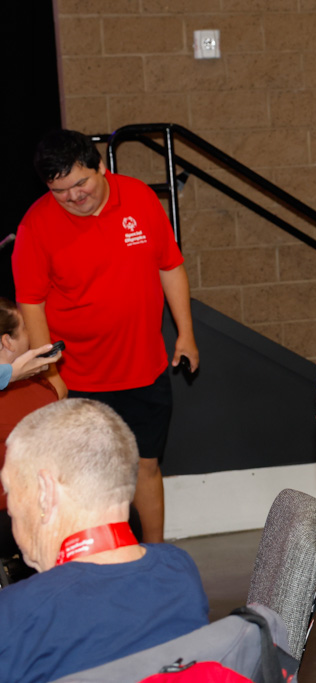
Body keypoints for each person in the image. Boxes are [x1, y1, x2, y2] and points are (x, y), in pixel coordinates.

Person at [12, 129, 200, 543]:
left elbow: (170, 266)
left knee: (146, 467)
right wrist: (50, 372)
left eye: (81, 183)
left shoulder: (139, 198)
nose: (74, 196)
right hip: (78, 378)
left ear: (100, 167)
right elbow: (32, 303)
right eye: (61, 190)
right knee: (87, 478)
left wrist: (185, 334)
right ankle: (97, 560)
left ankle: (154, 556)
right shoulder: (35, 226)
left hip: (144, 369)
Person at [0, 399, 209, 682]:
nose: (10, 509)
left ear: (45, 493)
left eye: (11, 491)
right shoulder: (180, 570)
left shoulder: (16, 615)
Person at [0, 298, 59, 555]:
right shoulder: (39, 391)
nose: (29, 335)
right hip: (27, 513)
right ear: (7, 341)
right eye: (24, 328)